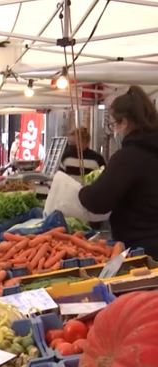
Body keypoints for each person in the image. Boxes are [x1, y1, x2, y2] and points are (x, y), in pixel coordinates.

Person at [79, 86, 158, 258]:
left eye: (114, 124)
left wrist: (81, 192)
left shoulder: (128, 157)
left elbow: (98, 201)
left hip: (143, 251)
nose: (114, 130)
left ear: (125, 122)